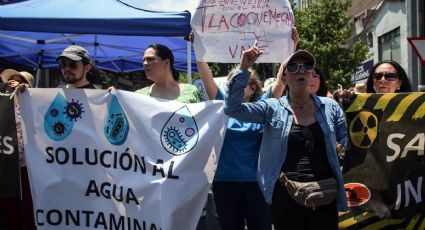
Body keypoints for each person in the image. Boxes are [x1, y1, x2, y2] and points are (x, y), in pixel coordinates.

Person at [224, 46, 348, 229]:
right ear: (284, 77)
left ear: (313, 74)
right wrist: (243, 69)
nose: (301, 70)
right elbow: (232, 109)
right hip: (286, 198)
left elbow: (345, 143)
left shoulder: (331, 107)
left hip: (325, 196)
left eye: (307, 65)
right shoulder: (271, 108)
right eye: (293, 66)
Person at [0, 69, 36, 230]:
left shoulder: (35, 108)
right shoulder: (2, 108)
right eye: (11, 81)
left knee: (29, 206)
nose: (13, 83)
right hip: (6, 165)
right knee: (9, 206)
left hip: (28, 168)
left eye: (19, 81)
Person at [135, 43, 204, 103]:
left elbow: (203, 117)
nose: (145, 63)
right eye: (144, 60)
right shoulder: (139, 96)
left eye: (150, 59)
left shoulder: (191, 92)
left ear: (167, 63)